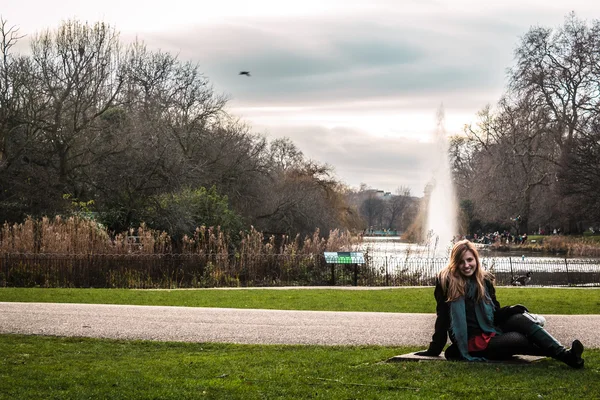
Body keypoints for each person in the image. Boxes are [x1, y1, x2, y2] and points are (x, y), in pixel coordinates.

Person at [414, 239, 584, 368]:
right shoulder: (446, 282)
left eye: (469, 260)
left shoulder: (484, 280)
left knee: (519, 318)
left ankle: (566, 355)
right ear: (454, 263)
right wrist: (435, 349)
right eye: (461, 262)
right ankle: (567, 356)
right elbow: (442, 318)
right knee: (516, 339)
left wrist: (510, 310)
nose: (466, 265)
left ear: (476, 259)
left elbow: (494, 314)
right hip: (472, 341)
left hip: (490, 329)